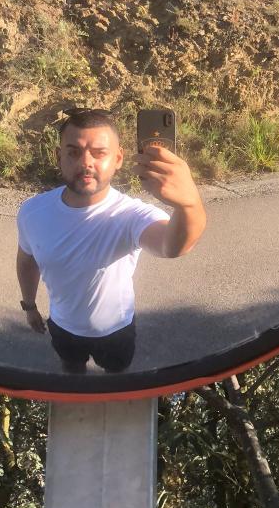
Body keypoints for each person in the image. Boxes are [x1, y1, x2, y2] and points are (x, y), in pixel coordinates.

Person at [15, 107, 207, 374]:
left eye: (99, 153)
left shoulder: (131, 214)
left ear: (118, 159)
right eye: (73, 152)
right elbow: (27, 262)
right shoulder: (32, 212)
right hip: (62, 326)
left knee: (116, 380)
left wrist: (190, 205)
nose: (86, 162)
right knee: (71, 373)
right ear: (58, 156)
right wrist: (29, 307)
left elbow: (173, 246)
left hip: (117, 331)